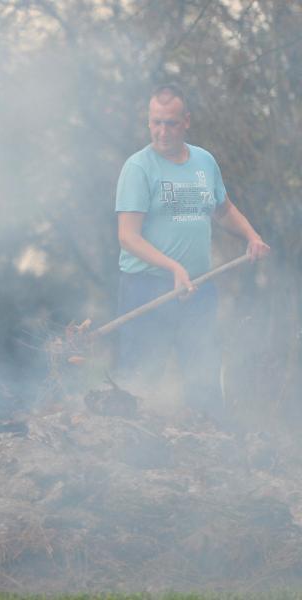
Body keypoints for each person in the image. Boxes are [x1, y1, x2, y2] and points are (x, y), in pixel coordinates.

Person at [114, 83, 270, 421]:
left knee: (204, 378)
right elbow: (128, 236)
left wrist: (251, 235)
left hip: (198, 287)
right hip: (146, 289)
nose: (162, 131)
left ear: (186, 121)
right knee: (140, 380)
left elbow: (223, 209)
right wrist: (173, 268)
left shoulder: (204, 161)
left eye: (170, 123)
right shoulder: (138, 168)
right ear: (148, 121)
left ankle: (210, 445)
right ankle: (130, 449)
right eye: (156, 122)